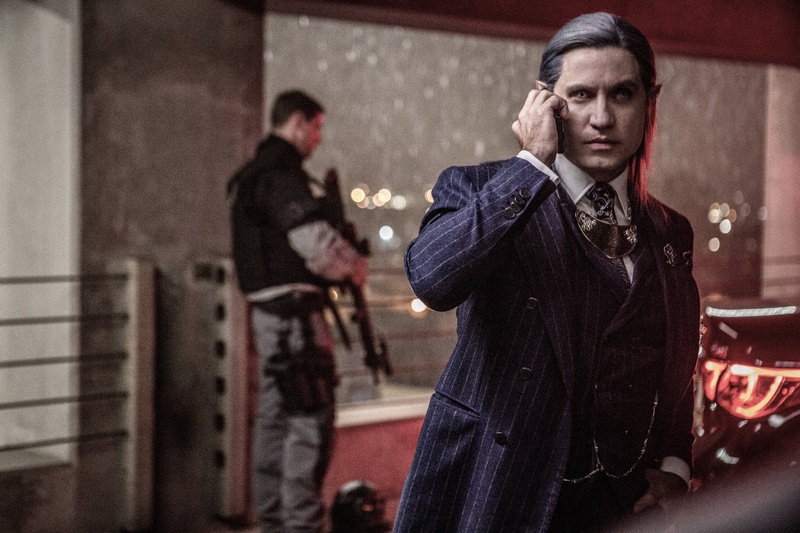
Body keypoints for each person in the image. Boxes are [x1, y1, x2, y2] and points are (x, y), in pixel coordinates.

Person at [395, 12, 699, 532]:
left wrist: (675, 464)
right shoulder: (478, 189)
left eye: (622, 94)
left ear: (650, 102)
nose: (601, 117)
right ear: (545, 102)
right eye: (581, 95)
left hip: (624, 508)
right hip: (496, 494)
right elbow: (431, 279)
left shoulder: (672, 231)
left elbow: (674, 361)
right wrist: (532, 163)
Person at [228, 90, 367, 533]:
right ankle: (301, 524)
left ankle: (273, 522)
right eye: (316, 127)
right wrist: (354, 266)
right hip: (295, 320)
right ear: (298, 122)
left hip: (268, 315)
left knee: (275, 418)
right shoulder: (280, 175)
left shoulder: (250, 176)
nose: (317, 138)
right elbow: (316, 246)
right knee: (309, 420)